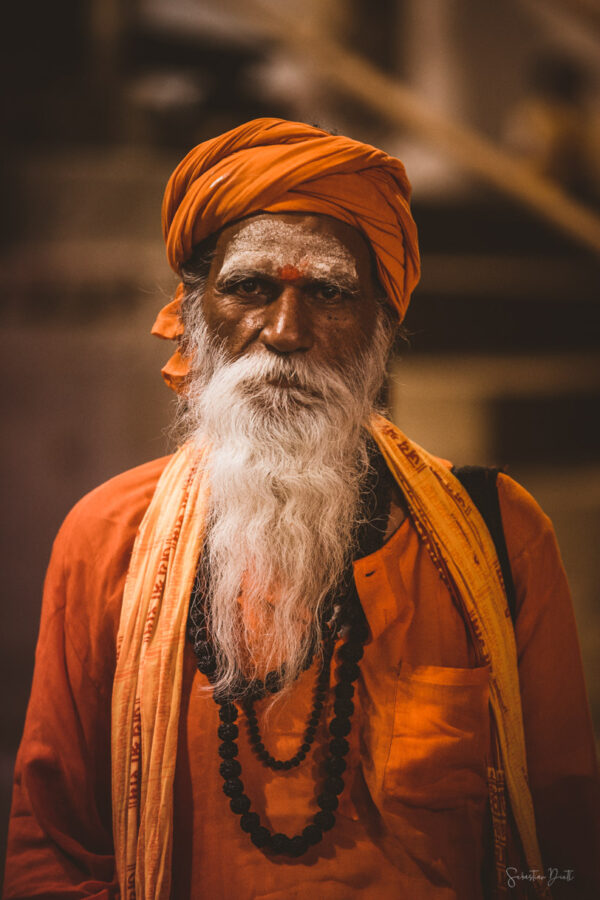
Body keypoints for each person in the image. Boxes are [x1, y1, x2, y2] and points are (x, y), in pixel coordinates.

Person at [3, 118, 599, 900]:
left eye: (328, 292)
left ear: (382, 330)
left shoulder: (499, 539)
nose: (284, 333)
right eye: (250, 287)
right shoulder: (105, 537)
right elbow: (51, 846)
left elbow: (559, 846)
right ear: (194, 311)